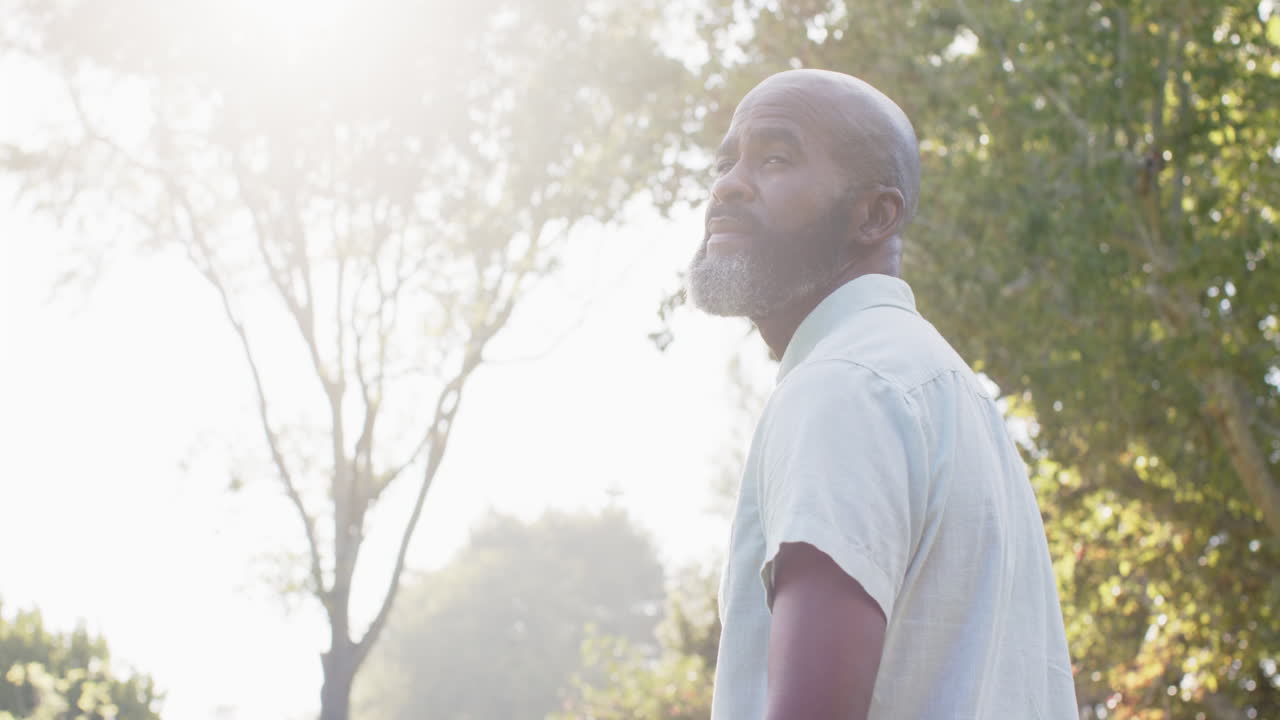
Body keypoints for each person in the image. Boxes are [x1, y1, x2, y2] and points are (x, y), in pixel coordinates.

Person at [687, 69, 1078, 720]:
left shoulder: (845, 385)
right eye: (728, 161)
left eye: (776, 158)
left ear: (873, 215)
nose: (728, 184)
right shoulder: (945, 392)